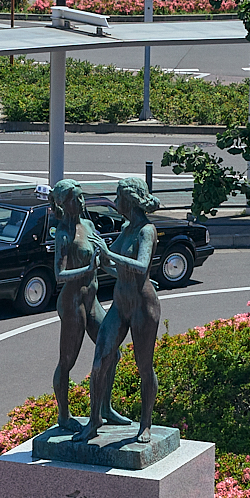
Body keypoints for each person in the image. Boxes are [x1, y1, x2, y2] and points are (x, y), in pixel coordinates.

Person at [82, 178, 163, 444]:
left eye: (118, 198)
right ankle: (94, 420)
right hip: (120, 304)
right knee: (100, 360)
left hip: (142, 305)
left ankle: (146, 424)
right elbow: (111, 262)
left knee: (144, 366)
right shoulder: (127, 229)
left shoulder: (146, 231)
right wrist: (98, 257)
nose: (116, 202)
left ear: (129, 201)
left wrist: (109, 253)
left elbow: (141, 266)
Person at [47, 180, 127, 434]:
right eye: (76, 199)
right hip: (72, 302)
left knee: (112, 352)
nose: (81, 203)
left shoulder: (89, 226)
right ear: (64, 204)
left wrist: (133, 279)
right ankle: (64, 415)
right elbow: (59, 275)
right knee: (67, 362)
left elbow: (104, 263)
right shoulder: (63, 234)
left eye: (82, 197)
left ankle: (105, 407)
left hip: (92, 300)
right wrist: (87, 269)